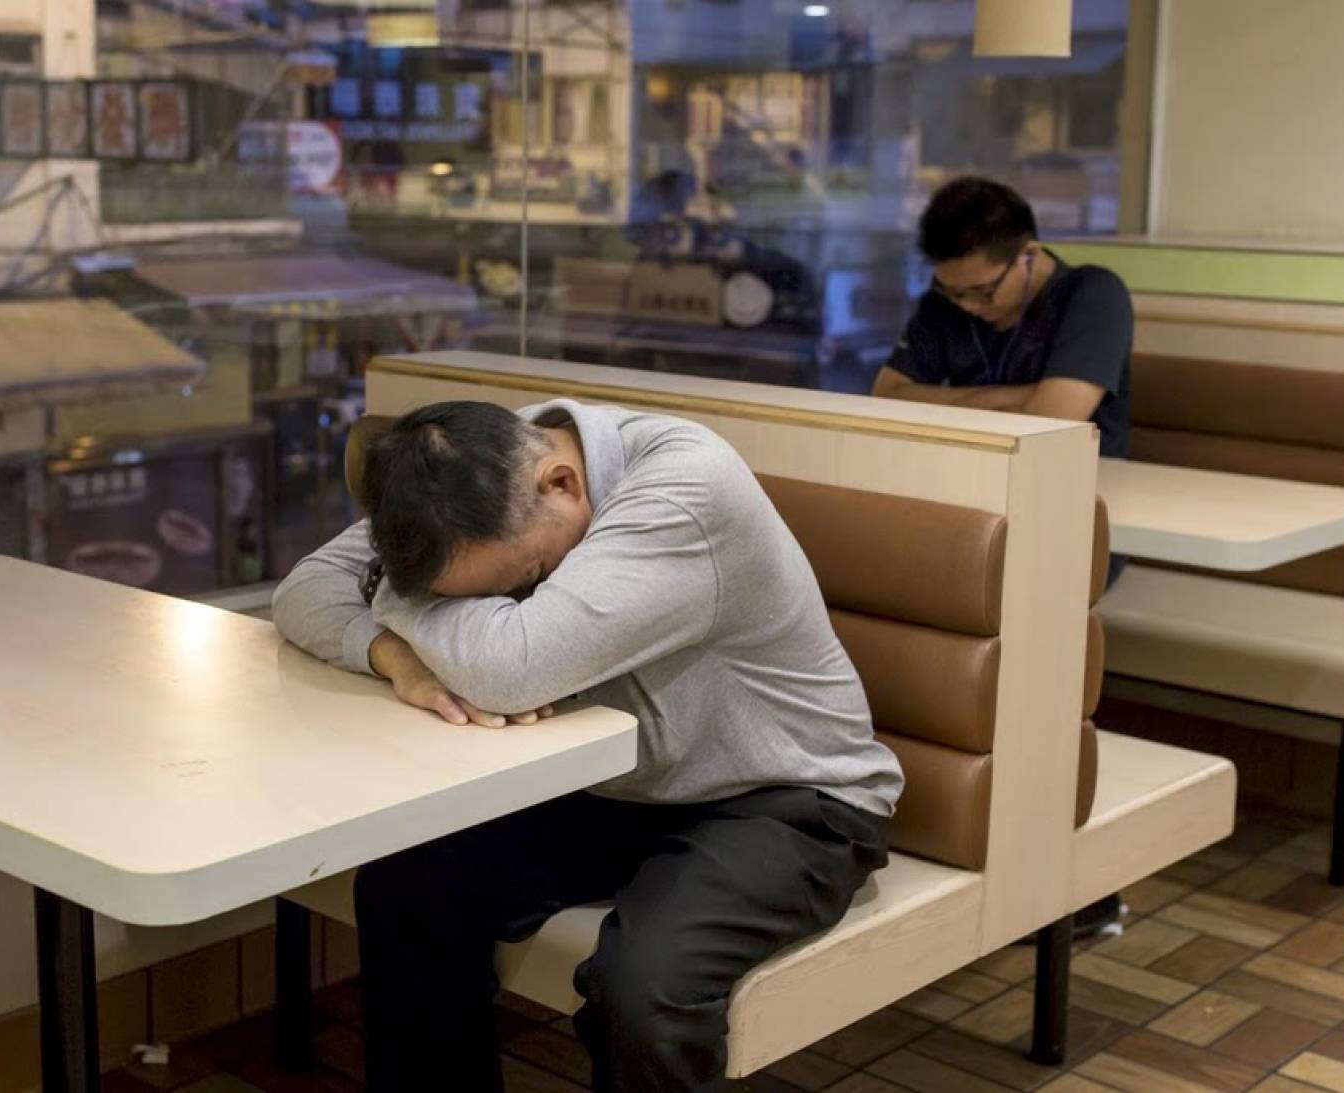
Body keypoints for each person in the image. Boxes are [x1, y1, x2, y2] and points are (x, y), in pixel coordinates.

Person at [271, 399, 902, 1092]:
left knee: (642, 987)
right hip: (620, 783)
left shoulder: (684, 487)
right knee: (405, 888)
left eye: (522, 579)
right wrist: (398, 656)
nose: (516, 596)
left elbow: (513, 668)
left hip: (789, 798)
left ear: (563, 483)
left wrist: (391, 595)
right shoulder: (465, 471)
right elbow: (303, 591)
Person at [874, 174, 1133, 938]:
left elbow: (1060, 415)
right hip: (971, 515)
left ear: (1027, 256)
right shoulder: (947, 298)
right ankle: (956, 849)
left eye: (984, 293)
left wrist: (953, 403)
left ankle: (1069, 880)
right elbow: (887, 394)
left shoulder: (1092, 294)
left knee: (1011, 656)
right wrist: (1017, 400)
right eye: (955, 297)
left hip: (1074, 526)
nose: (971, 311)